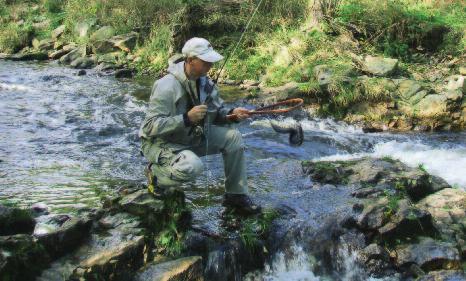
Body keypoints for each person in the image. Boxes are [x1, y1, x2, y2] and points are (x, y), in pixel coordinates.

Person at [139, 37, 261, 215]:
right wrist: (186, 118)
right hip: (162, 144)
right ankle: (155, 175)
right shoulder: (166, 86)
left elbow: (217, 115)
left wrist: (232, 114)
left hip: (191, 136)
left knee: (233, 138)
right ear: (189, 60)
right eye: (205, 61)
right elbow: (149, 127)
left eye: (211, 61)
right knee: (193, 167)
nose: (210, 65)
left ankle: (235, 196)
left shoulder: (206, 84)